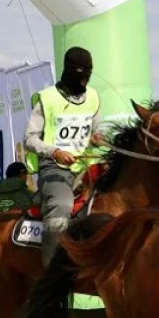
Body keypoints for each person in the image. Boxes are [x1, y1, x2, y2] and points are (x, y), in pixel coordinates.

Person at [24, 46, 104, 267]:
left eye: (86, 76)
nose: (84, 82)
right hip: (54, 168)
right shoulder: (47, 99)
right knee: (61, 208)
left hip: (87, 166)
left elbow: (99, 129)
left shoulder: (94, 97)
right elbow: (29, 139)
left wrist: (99, 137)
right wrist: (56, 152)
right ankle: (52, 273)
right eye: (80, 77)